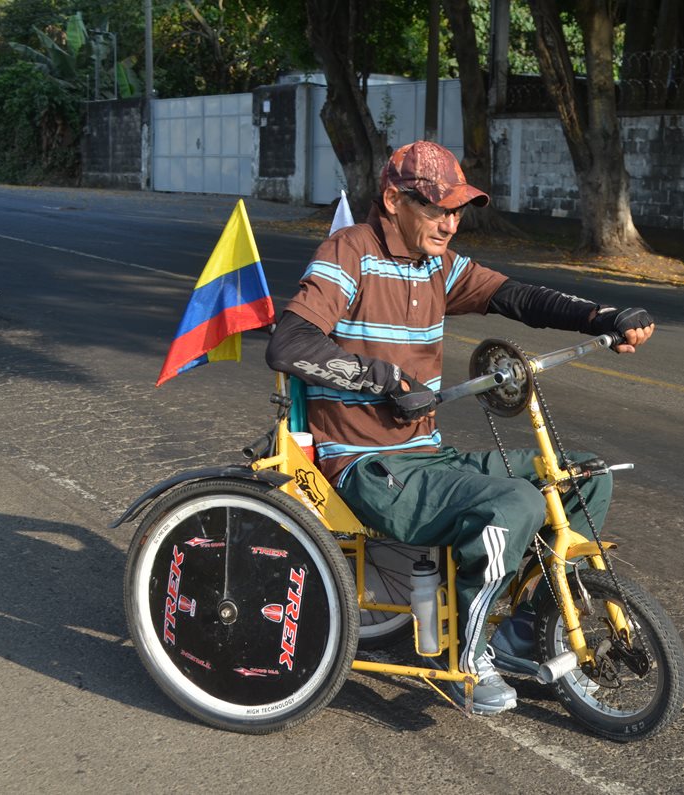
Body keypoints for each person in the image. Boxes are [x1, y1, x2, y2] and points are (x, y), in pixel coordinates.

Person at [265, 140, 655, 715]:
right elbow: (289, 343)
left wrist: (602, 316)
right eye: (436, 209)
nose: (450, 224)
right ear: (394, 199)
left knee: (584, 476)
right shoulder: (348, 253)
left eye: (457, 211)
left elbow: (517, 296)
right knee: (516, 505)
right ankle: (464, 662)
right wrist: (385, 380)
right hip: (366, 466)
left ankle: (520, 633)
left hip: (427, 458)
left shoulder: (438, 267)